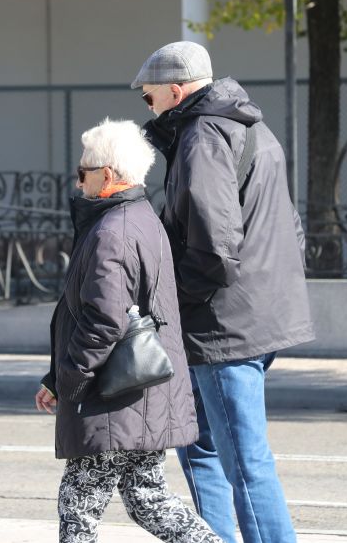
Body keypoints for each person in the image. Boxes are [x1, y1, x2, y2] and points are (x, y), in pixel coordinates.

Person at [132, 41, 315, 543]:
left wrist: (172, 303)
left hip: (222, 325)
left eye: (149, 99)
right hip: (257, 314)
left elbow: (214, 247)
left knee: (241, 460)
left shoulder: (203, 135)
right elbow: (290, 228)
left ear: (175, 90)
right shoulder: (250, 124)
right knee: (202, 447)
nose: (148, 107)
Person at [35, 119, 222, 543]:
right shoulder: (138, 217)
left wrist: (70, 379)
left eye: (85, 170)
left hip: (113, 396)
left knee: (79, 507)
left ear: (110, 175)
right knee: (147, 497)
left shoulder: (111, 232)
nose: (78, 178)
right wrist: (56, 377)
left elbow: (104, 319)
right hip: (138, 390)